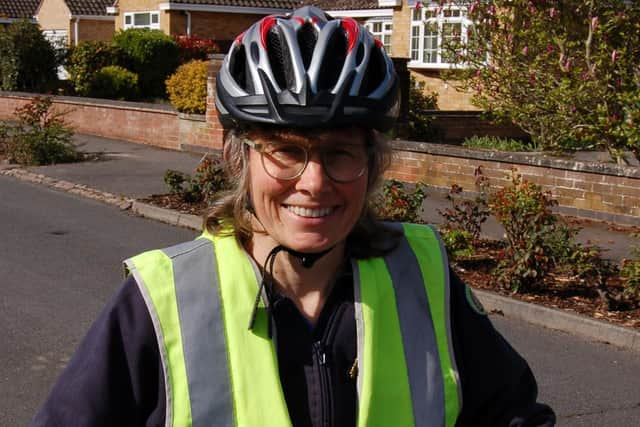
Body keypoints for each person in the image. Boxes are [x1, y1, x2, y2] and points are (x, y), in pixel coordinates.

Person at [32, 6, 555, 427]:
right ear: (240, 157)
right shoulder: (163, 297)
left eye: (341, 152)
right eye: (284, 151)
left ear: (372, 165)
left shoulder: (421, 273)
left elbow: (510, 413)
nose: (314, 182)